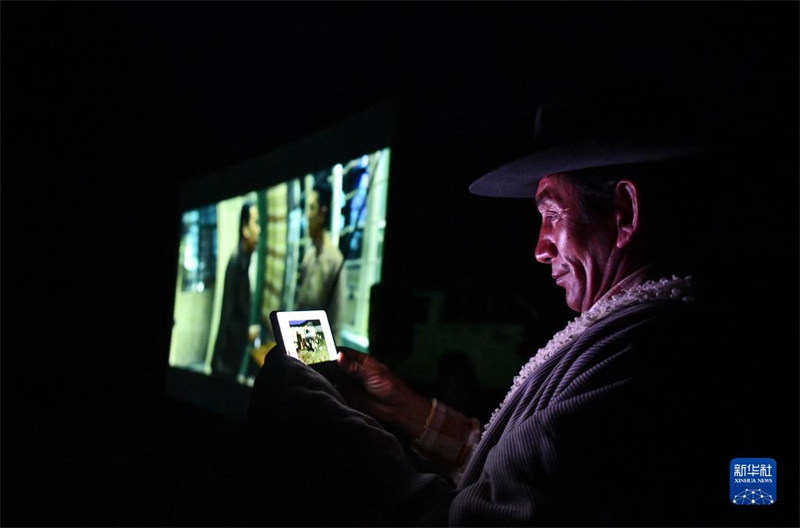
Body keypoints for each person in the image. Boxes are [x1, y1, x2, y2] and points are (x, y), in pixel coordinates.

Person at [242, 90, 790, 526]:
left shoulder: (642, 357)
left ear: (623, 212)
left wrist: (315, 422)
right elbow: (521, 475)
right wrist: (403, 409)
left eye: (551, 215)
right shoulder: (638, 336)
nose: (540, 248)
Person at [211, 201, 262, 379]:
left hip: (230, 360)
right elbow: (228, 318)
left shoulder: (244, 260)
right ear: (245, 229)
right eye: (256, 223)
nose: (259, 230)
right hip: (225, 364)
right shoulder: (236, 262)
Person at [296, 180, 346, 336]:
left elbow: (335, 324)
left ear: (323, 213)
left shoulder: (335, 261)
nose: (308, 215)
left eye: (312, 208)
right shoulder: (309, 257)